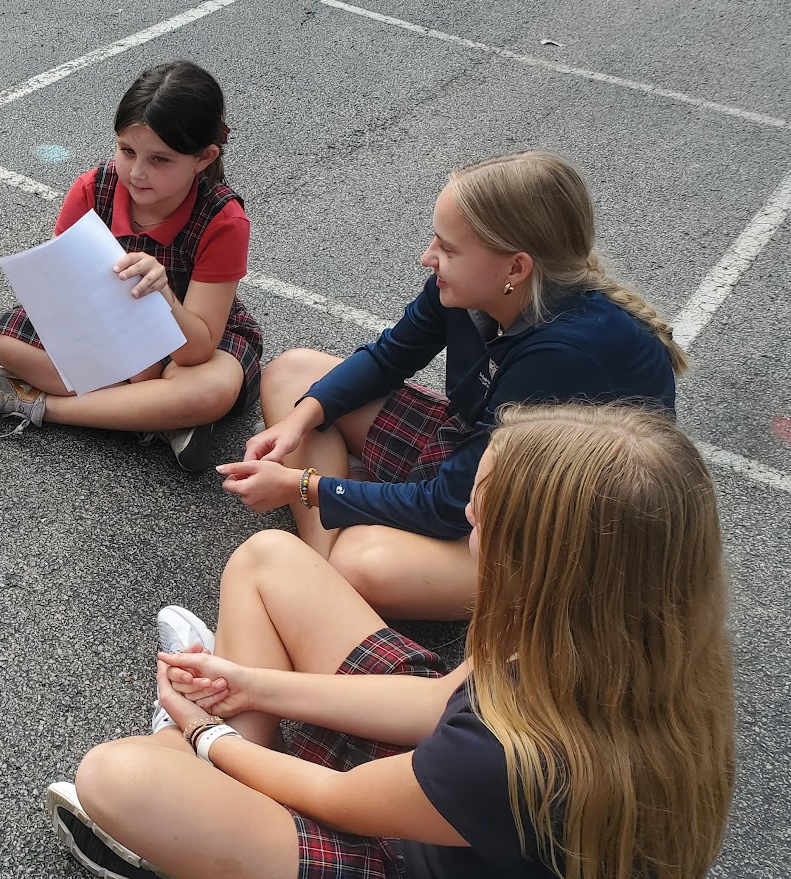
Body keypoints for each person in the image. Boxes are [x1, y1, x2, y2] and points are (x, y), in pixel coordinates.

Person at [46, 403, 735, 879]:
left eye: (478, 511)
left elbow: (334, 796)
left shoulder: (506, 753)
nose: (464, 515)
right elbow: (438, 702)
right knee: (268, 559)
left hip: (397, 855)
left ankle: (189, 786)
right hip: (440, 802)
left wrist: (203, 731)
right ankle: (210, 779)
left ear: (540, 562)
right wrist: (250, 683)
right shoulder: (621, 639)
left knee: (117, 775)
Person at [219, 151, 684, 618]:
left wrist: (304, 486)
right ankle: (322, 568)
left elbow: (449, 504)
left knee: (362, 562)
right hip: (479, 452)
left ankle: (326, 576)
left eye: (448, 248)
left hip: (549, 531)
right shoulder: (476, 286)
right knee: (294, 377)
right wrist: (302, 422)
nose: (428, 257)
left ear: (515, 268)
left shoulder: (563, 357)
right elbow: (389, 356)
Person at [0, 60, 260, 472]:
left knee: (212, 389)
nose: (137, 172)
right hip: (101, 325)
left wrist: (165, 295)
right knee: (6, 342)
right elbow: (61, 294)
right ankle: (159, 416)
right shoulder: (91, 189)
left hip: (185, 339)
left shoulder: (223, 220)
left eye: (161, 160)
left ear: (204, 158)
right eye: (127, 150)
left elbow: (197, 350)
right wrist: (134, 368)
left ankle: (40, 404)